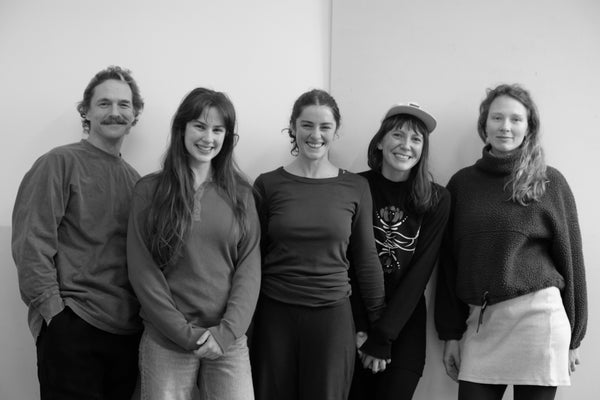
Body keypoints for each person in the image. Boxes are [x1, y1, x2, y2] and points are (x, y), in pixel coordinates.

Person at [435, 84, 587, 400]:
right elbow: (449, 265)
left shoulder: (550, 182)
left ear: (529, 127)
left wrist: (574, 337)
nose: (506, 127)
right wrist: (450, 334)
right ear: (484, 125)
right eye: (497, 118)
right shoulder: (462, 185)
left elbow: (571, 261)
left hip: (539, 324)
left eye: (516, 119)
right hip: (482, 324)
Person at [11, 65, 144, 399]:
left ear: (135, 113)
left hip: (126, 334)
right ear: (85, 110)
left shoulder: (137, 181)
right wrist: (54, 314)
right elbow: (31, 242)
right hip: (73, 326)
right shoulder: (59, 162)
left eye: (124, 104)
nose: (115, 112)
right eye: (104, 103)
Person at [250, 89, 386, 400]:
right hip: (275, 315)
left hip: (332, 317)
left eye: (325, 127)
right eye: (307, 125)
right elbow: (252, 259)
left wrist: (379, 325)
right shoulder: (267, 185)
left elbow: (366, 260)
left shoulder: (355, 186)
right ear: (293, 128)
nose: (315, 135)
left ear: (336, 131)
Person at [127, 87, 260, 400]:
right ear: (181, 129)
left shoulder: (241, 194)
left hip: (228, 339)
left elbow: (249, 268)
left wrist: (226, 333)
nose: (208, 137)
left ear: (228, 137)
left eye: (218, 129)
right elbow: (142, 270)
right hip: (166, 340)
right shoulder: (149, 191)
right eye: (200, 126)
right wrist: (185, 335)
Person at [349, 103, 450, 400]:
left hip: (404, 324)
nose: (406, 145)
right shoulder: (354, 186)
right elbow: (346, 263)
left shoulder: (437, 198)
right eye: (398, 135)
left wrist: (383, 336)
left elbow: (420, 272)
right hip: (355, 320)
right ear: (380, 141)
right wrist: (362, 330)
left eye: (416, 139)